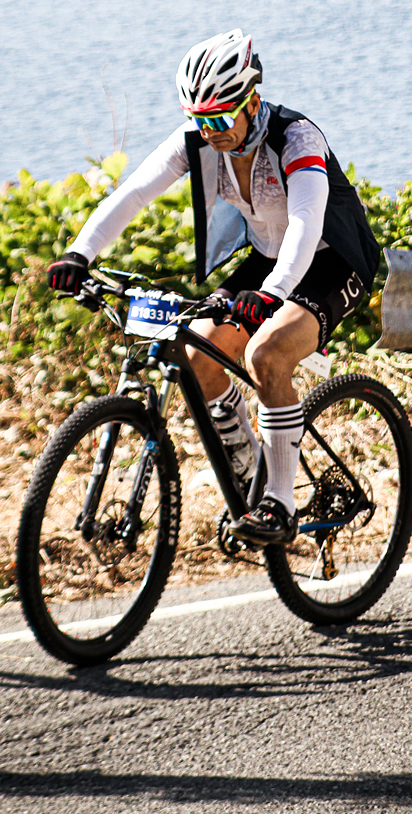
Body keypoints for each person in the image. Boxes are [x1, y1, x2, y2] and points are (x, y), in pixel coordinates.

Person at [47, 30, 381, 545]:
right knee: (197, 353)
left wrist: (273, 293)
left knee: (267, 355)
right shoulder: (198, 138)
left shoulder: (297, 139)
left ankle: (280, 504)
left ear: (252, 102)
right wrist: (80, 253)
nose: (212, 132)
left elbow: (305, 221)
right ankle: (249, 470)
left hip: (332, 260)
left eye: (222, 119)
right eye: (201, 121)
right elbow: (134, 192)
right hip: (269, 259)